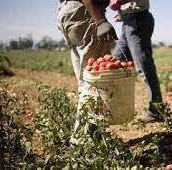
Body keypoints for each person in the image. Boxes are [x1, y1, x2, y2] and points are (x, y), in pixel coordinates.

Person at [57, 0, 117, 145]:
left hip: (68, 13)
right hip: (84, 13)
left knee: (86, 83)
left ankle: (88, 137)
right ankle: (82, 141)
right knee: (96, 83)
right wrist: (100, 20)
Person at [109, 0, 165, 122]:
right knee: (116, 63)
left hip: (138, 20)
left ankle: (157, 110)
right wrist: (122, 12)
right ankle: (116, 109)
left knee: (143, 66)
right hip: (128, 21)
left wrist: (118, 2)